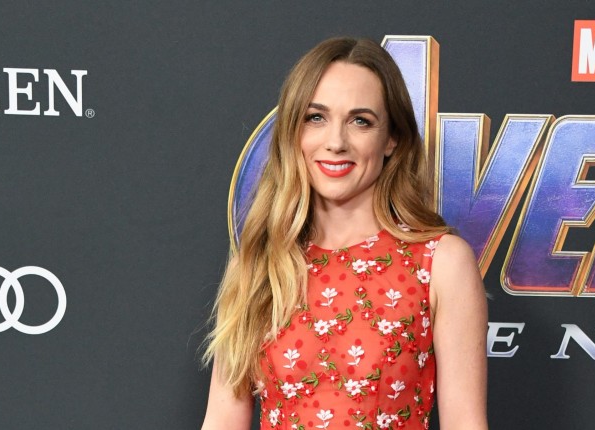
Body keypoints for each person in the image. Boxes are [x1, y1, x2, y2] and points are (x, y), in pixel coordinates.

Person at [202, 37, 487, 430]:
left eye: (360, 121)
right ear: (292, 133)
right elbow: (222, 419)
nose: (336, 142)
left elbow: (465, 423)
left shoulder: (440, 261)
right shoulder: (259, 261)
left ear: (392, 139)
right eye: (315, 118)